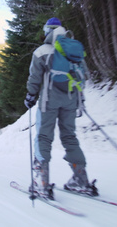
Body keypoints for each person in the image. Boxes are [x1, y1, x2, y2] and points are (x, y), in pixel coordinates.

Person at [24, 17, 98, 200]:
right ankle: (81, 180)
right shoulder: (73, 50)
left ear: (48, 30)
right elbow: (82, 76)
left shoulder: (42, 51)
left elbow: (35, 77)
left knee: (43, 137)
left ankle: (42, 182)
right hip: (71, 99)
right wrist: (80, 99)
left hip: (49, 100)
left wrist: (30, 95)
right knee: (70, 137)